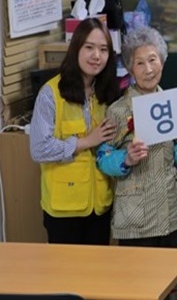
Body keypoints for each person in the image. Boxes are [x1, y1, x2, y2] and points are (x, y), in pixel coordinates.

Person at [96, 26, 177, 247]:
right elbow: (102, 157)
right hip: (136, 218)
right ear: (130, 69)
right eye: (140, 63)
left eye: (153, 60)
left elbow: (172, 158)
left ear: (162, 61)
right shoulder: (118, 111)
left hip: (174, 211)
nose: (148, 69)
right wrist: (126, 159)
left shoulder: (173, 103)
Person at [29, 18, 120, 245]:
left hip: (100, 206)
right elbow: (39, 149)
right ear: (76, 48)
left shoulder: (107, 93)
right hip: (64, 210)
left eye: (103, 49)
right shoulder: (51, 93)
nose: (96, 56)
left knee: (99, 267)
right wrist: (86, 141)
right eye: (89, 47)